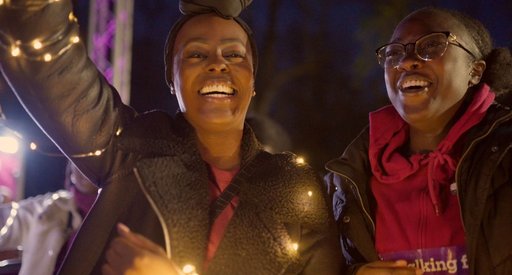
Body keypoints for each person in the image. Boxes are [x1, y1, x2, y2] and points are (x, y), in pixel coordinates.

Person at [0, 1, 343, 274]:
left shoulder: (298, 188)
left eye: (234, 54)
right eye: (196, 53)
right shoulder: (129, 146)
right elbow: (45, 50)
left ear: (253, 81)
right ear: (172, 79)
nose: (217, 63)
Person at [324, 6, 512, 275]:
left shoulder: (505, 156)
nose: (406, 61)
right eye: (394, 53)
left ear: (476, 71)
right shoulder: (348, 180)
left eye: (432, 45)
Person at [0, 161, 98, 275]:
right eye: (76, 158)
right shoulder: (51, 207)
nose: (83, 166)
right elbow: (10, 220)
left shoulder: (119, 219)